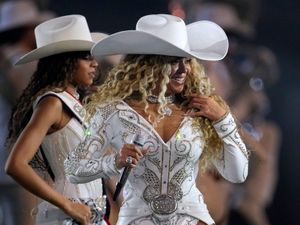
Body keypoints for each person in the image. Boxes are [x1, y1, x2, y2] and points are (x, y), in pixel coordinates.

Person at [64, 14, 249, 225]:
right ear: (148, 64)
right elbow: (73, 169)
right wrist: (114, 161)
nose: (184, 69)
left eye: (187, 60)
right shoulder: (111, 112)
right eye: (173, 61)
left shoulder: (201, 108)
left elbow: (237, 174)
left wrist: (223, 119)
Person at [5, 14, 108, 225]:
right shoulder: (52, 103)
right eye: (86, 57)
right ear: (66, 62)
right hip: (65, 216)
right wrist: (68, 205)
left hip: (90, 214)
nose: (95, 64)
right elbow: (16, 164)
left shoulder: (76, 102)